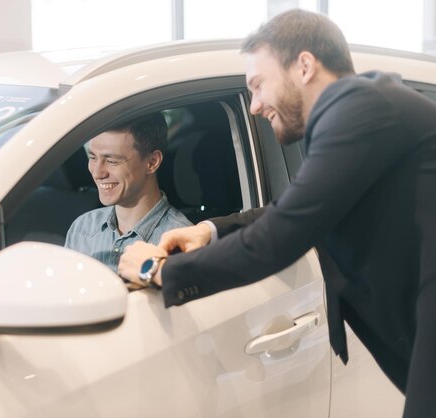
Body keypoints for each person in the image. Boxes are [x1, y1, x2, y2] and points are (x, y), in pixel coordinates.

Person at [118, 9, 436, 418]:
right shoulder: (359, 109)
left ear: (304, 66)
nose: (253, 106)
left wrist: (157, 271)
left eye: (257, 85)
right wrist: (210, 231)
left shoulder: (360, 111)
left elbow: (280, 237)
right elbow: (301, 206)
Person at [65, 112, 191, 272]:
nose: (97, 173)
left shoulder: (180, 241)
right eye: (93, 158)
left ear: (152, 162)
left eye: (112, 161)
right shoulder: (83, 229)